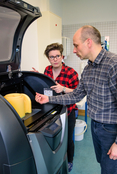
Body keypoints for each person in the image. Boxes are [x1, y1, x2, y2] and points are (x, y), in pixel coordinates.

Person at [35, 25, 117, 174]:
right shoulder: (89, 69)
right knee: (103, 165)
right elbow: (76, 95)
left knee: (110, 170)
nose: (74, 50)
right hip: (95, 126)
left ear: (88, 42)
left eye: (76, 45)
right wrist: (48, 99)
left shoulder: (116, 65)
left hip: (110, 129)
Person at [32, 43, 79, 172]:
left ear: (62, 56)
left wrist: (63, 88)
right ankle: (56, 159)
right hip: (52, 111)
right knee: (56, 138)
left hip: (67, 111)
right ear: (48, 59)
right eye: (52, 57)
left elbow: (78, 92)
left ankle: (69, 161)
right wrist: (38, 77)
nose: (55, 59)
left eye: (57, 56)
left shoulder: (70, 73)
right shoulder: (47, 70)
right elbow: (45, 88)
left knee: (68, 139)